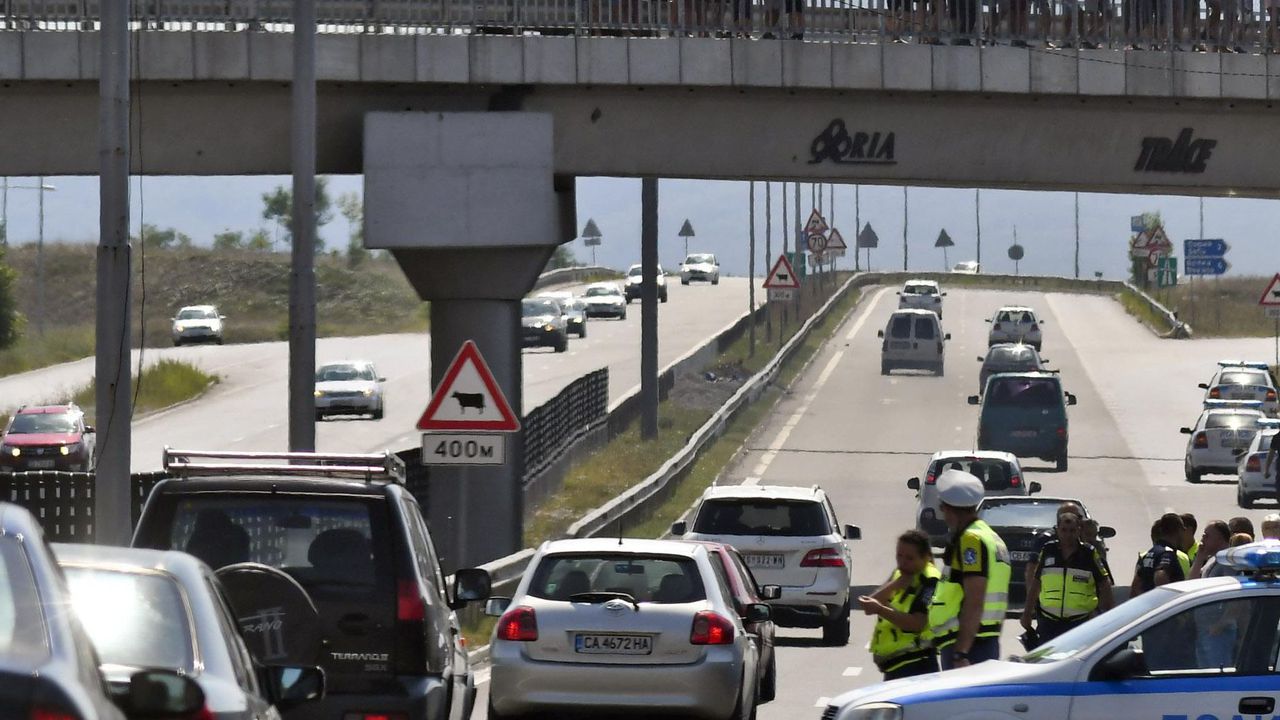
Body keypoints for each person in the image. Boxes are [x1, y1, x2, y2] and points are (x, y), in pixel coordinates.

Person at [930, 469, 1012, 669]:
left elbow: (975, 599)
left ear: (951, 509)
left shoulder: (971, 540)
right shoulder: (990, 536)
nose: (943, 514)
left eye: (943, 508)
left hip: (967, 642)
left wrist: (961, 652)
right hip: (984, 638)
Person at [861, 530, 942, 680]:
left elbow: (916, 623)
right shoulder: (901, 574)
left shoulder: (930, 581)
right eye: (899, 556)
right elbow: (868, 605)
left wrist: (880, 609)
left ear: (926, 558)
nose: (902, 562)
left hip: (916, 665)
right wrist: (895, 585)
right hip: (895, 666)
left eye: (910, 558)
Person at [1022, 511, 1114, 643]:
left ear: (1079, 531)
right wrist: (1027, 613)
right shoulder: (1048, 550)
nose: (1068, 535)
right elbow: (1036, 583)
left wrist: (1106, 614)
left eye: (1072, 530)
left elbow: (1105, 584)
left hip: (1080, 622)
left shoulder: (1088, 553)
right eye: (1064, 530)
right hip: (1049, 622)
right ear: (1057, 530)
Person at [1131, 513, 1186, 598]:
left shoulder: (1150, 553)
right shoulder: (1167, 553)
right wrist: (1165, 602)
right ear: (1178, 531)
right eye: (1183, 530)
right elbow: (1160, 576)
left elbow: (1136, 584)